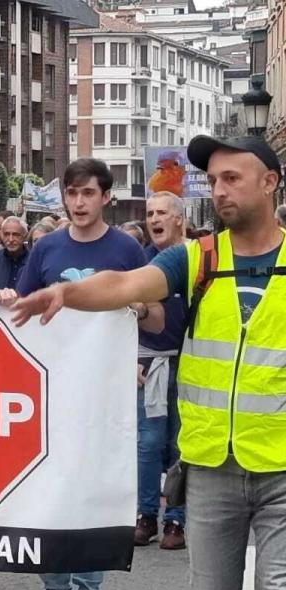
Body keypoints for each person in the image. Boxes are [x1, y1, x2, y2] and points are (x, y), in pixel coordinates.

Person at [3, 135, 286, 590]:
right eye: (216, 179)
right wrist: (69, 293)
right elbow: (127, 282)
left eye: (233, 178)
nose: (220, 190)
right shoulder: (200, 257)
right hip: (209, 467)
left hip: (283, 470)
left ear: (269, 183)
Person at [0, 158, 147, 590]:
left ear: (106, 197)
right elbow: (23, 309)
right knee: (53, 482)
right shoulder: (46, 249)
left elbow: (157, 314)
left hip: (104, 387)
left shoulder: (126, 249)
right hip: (52, 385)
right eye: (72, 194)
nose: (79, 202)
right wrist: (6, 302)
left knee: (93, 482)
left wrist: (138, 308)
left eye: (88, 193)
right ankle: (52, 588)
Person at [134, 191, 189, 550]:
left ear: (179, 219)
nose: (154, 219)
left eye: (162, 213)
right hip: (149, 363)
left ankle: (176, 520)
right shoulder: (142, 263)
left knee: (181, 444)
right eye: (150, 213)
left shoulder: (196, 259)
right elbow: (123, 314)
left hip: (190, 366)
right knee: (149, 443)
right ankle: (146, 515)